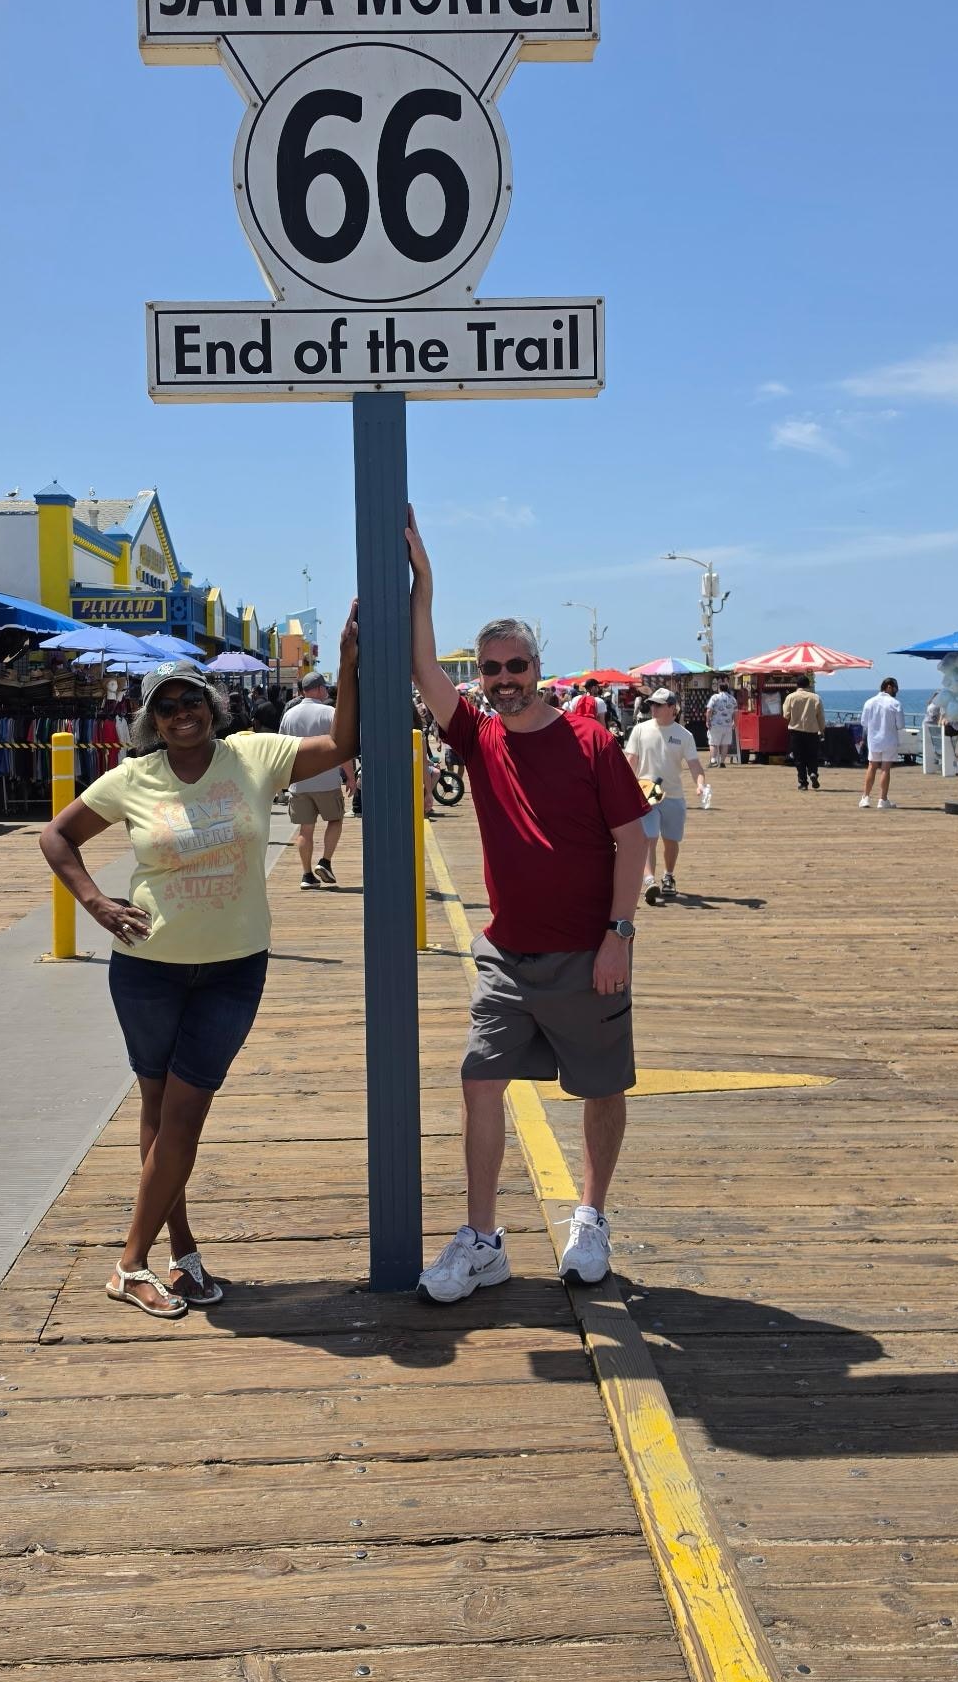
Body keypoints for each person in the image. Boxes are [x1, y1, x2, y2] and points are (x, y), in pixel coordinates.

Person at [39, 614, 359, 1320]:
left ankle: (132, 1262)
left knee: (182, 1112)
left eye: (191, 701)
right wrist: (94, 902)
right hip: (148, 967)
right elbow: (56, 836)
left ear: (212, 707)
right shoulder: (132, 779)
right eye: (166, 705)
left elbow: (344, 742)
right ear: (149, 719)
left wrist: (344, 661)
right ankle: (168, 1253)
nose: (181, 714)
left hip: (233, 968)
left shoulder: (253, 756)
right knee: (162, 1114)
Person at [406, 507, 650, 1299]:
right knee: (479, 1080)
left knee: (599, 1088)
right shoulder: (477, 737)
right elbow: (419, 666)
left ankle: (590, 1217)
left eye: (514, 666)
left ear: (535, 668)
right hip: (505, 953)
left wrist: (618, 935)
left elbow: (633, 842)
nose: (502, 679)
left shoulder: (590, 740)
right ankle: (481, 1240)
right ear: (478, 675)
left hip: (588, 950)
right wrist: (423, 579)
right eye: (490, 669)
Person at [624, 688, 710, 903]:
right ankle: (649, 881)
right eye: (652, 704)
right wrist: (623, 788)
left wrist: (700, 785)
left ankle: (668, 876)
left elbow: (694, 766)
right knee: (648, 839)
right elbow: (630, 762)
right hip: (646, 795)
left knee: (671, 841)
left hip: (673, 795)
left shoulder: (684, 735)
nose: (653, 708)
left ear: (672, 708)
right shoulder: (640, 730)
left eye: (659, 705)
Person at [281, 670, 351, 889]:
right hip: (327, 780)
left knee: (305, 829)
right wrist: (351, 777)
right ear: (320, 689)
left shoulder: (289, 715)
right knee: (335, 819)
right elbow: (341, 748)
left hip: (299, 781)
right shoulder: (330, 712)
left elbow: (281, 748)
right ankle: (325, 861)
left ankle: (307, 875)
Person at [859, 677, 905, 809]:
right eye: (896, 687)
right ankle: (882, 800)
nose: (897, 690)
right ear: (889, 687)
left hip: (874, 740)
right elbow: (900, 725)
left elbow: (864, 722)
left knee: (872, 766)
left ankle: (866, 798)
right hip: (889, 739)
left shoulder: (869, 702)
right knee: (885, 768)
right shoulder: (895, 703)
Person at [782, 676, 825, 790]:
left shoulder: (790, 697)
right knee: (812, 755)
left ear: (797, 685)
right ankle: (813, 773)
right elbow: (821, 717)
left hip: (796, 732)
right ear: (808, 685)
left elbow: (786, 715)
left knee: (799, 758)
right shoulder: (816, 698)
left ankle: (803, 783)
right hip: (812, 731)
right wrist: (822, 730)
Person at [705, 683, 738, 768]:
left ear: (719, 688)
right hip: (727, 725)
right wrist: (735, 722)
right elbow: (736, 713)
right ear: (727, 689)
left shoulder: (715, 697)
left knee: (713, 743)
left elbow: (709, 710)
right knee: (725, 744)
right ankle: (722, 762)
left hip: (716, 724)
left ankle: (713, 761)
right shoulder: (733, 699)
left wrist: (707, 720)